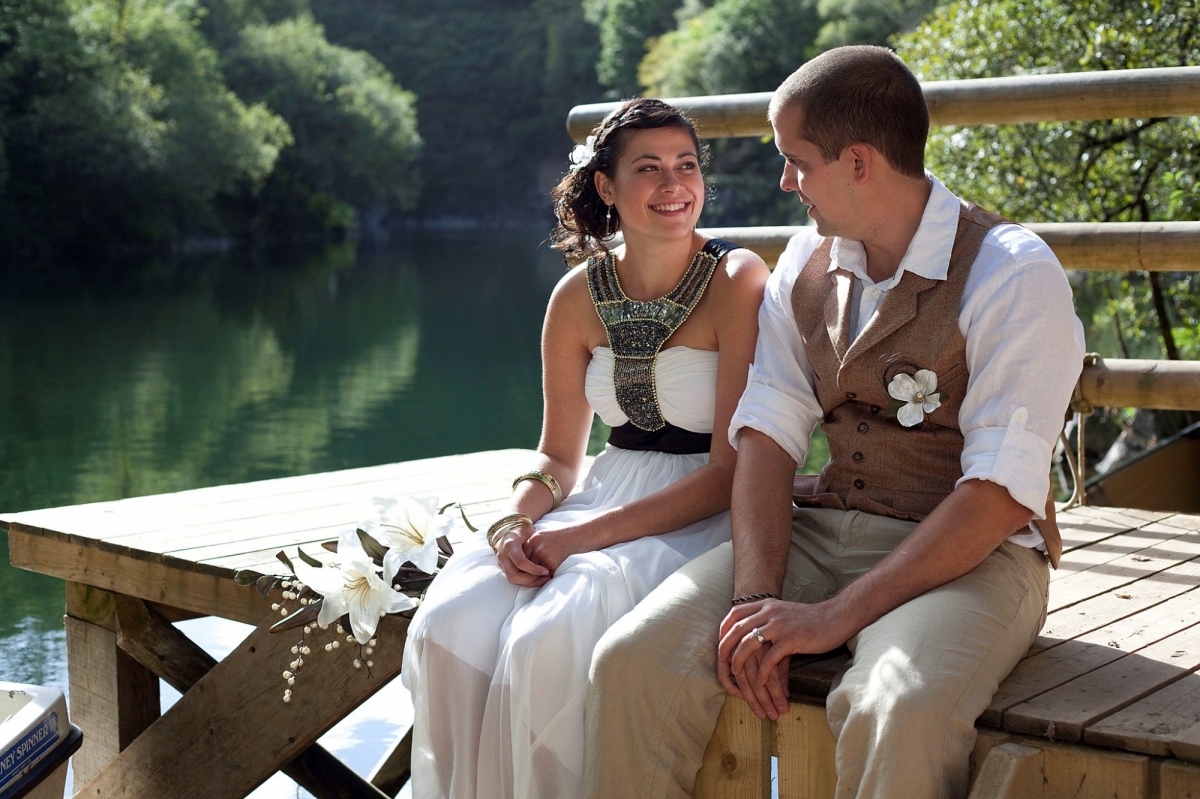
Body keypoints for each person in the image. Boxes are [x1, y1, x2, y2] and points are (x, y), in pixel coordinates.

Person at [584, 46, 1086, 799]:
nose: (786, 181)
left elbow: (1000, 494)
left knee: (895, 704)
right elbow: (766, 436)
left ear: (858, 162)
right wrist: (757, 602)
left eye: (796, 162)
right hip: (823, 530)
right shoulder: (802, 266)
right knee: (630, 658)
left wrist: (830, 618)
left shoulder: (1014, 273)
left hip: (975, 559)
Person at [400, 98, 769, 799]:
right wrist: (517, 522)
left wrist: (582, 540)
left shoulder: (737, 279)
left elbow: (731, 471)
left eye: (686, 166)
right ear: (606, 186)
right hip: (605, 489)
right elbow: (558, 457)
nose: (674, 186)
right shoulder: (576, 296)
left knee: (556, 628)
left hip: (705, 512)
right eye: (649, 168)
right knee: (457, 611)